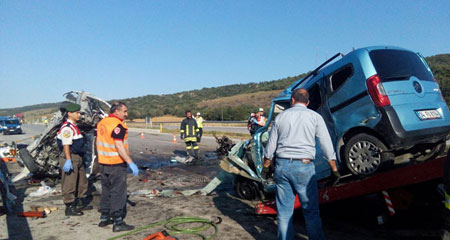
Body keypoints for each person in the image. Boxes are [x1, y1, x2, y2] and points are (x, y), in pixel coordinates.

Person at [263, 88, 340, 240]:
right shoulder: (315, 117)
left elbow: (270, 147)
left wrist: (266, 167)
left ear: (292, 100)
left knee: (284, 213)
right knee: (310, 212)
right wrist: (334, 169)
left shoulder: (281, 117)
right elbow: (326, 144)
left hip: (282, 166)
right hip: (304, 167)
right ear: (308, 102)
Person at [96, 102, 139, 232]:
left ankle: (104, 217)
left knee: (106, 191)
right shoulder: (118, 126)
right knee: (118, 193)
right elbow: (119, 145)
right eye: (124, 111)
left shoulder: (102, 123)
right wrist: (130, 162)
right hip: (116, 164)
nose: (126, 114)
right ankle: (118, 221)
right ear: (116, 111)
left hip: (103, 163)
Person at [56, 103, 93, 216]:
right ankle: (69, 206)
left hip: (78, 157)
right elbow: (66, 145)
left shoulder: (74, 126)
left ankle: (80, 201)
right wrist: (68, 160)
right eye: (77, 113)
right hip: (71, 157)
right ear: (69, 113)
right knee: (69, 183)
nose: (79, 115)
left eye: (79, 113)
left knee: (82, 181)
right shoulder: (66, 128)